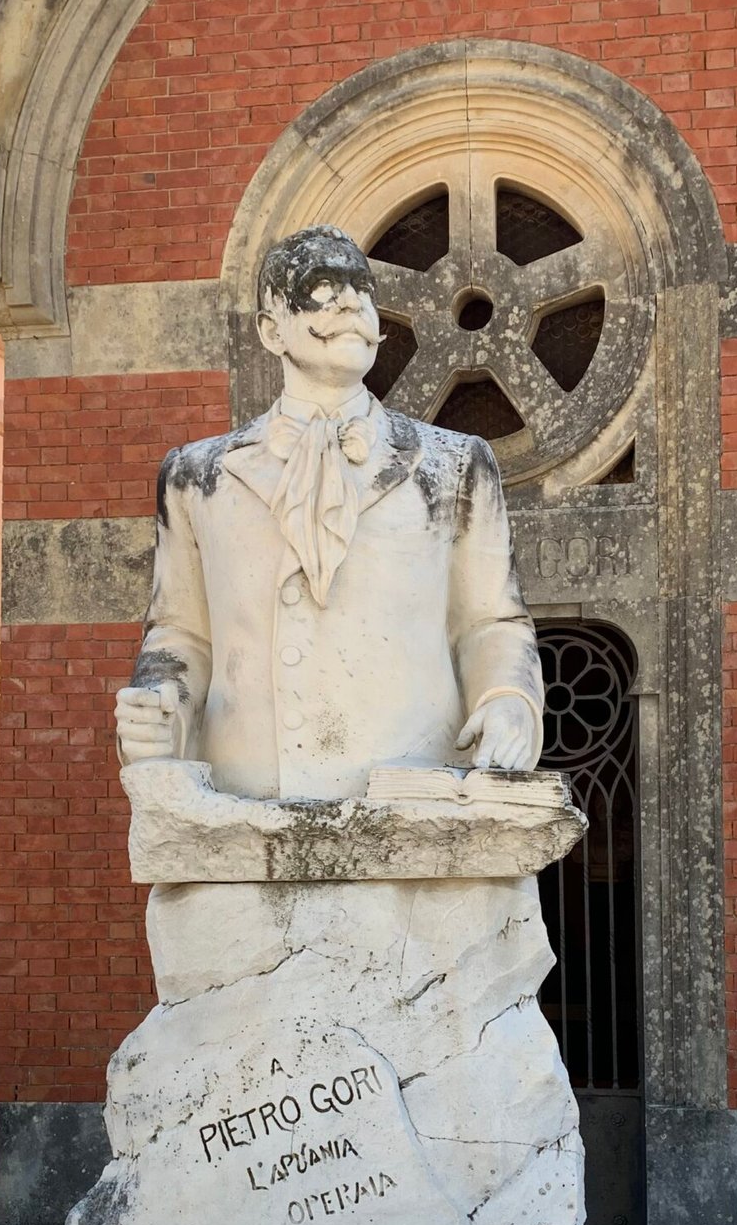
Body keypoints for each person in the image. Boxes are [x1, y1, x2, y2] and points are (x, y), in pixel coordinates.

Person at [115, 224, 545, 801]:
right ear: (272, 329)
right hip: (247, 809)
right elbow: (181, 632)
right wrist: (158, 703)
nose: (349, 300)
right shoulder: (196, 476)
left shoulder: (457, 463)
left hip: (412, 802)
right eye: (321, 285)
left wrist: (509, 702)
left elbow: (490, 622)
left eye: (360, 287)